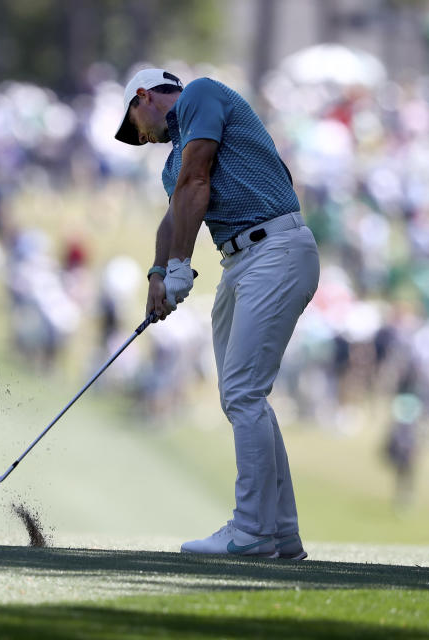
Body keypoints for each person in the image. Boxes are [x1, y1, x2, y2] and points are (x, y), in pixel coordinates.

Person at [115, 68, 320, 558]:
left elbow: (199, 181)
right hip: (241, 264)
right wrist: (158, 274)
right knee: (241, 396)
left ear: (145, 96)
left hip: (276, 247)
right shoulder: (173, 163)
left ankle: (250, 531)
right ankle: (282, 533)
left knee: (244, 393)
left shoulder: (202, 95)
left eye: (135, 125)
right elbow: (174, 214)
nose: (140, 138)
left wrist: (183, 267)